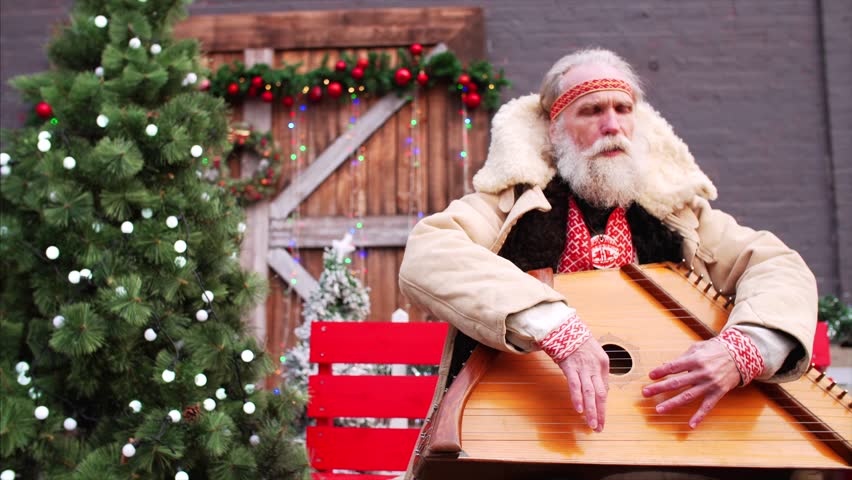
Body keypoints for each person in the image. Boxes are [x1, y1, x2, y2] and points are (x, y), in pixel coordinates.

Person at [398, 48, 817, 443]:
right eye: (592, 110)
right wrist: (554, 328)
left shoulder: (678, 214)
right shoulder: (511, 204)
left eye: (623, 109)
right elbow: (430, 252)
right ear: (555, 128)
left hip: (661, 428)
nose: (612, 125)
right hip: (533, 429)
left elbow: (778, 265)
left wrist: (745, 348)